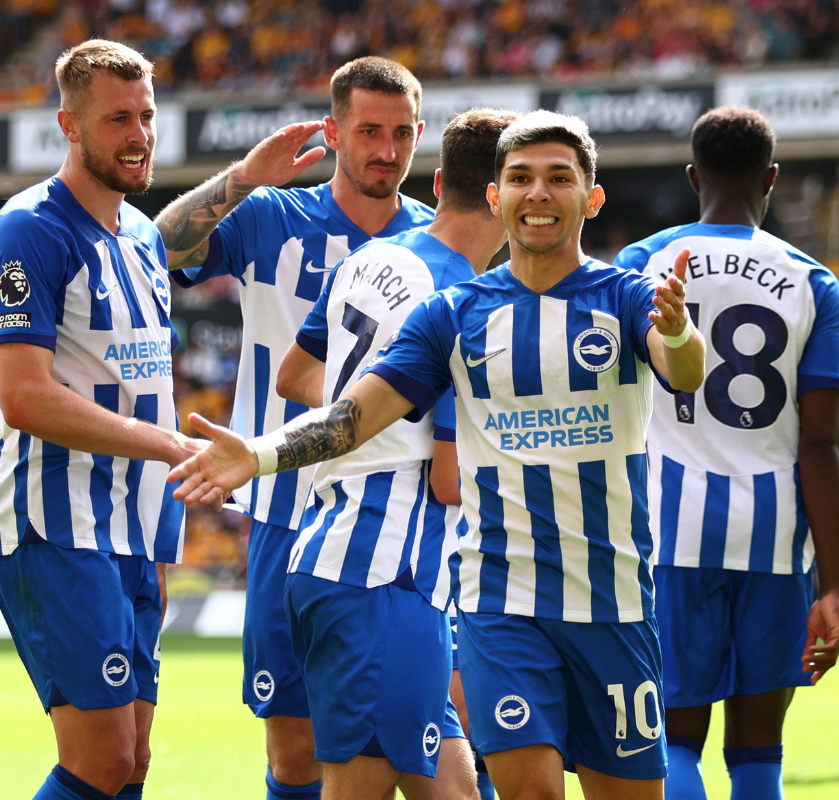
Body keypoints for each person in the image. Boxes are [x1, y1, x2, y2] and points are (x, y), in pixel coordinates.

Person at [168, 110, 708, 800]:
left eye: (558, 178)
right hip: (497, 600)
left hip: (611, 597)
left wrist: (681, 331)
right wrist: (258, 455)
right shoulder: (451, 312)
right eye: (520, 178)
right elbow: (353, 413)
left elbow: (681, 370)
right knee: (527, 791)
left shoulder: (626, 297)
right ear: (495, 195)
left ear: (591, 197)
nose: (537, 193)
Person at [154, 57, 435, 800]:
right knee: (295, 749)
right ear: (333, 132)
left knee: (431, 744)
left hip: (404, 522)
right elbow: (160, 252)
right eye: (369, 131)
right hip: (287, 511)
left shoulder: (440, 246)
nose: (386, 150)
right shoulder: (275, 216)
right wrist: (245, 176)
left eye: (402, 133)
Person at [0, 40, 205, 800]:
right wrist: (167, 445)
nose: (139, 134)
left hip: (138, 528)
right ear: (69, 126)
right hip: (57, 525)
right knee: (100, 760)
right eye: (117, 119)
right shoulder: (28, 231)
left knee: (132, 760)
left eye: (146, 115)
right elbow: (25, 396)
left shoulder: (140, 237)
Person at [272, 107, 518, 800]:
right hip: (385, 572)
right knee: (359, 789)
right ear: (504, 196)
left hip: (342, 554)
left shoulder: (371, 258)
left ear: (439, 184)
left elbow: (295, 376)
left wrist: (387, 411)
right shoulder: (461, 302)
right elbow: (448, 480)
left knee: (455, 789)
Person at [613, 106, 839, 800]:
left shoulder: (643, 262)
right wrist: (832, 584)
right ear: (771, 179)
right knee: (757, 752)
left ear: (694, 177)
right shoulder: (812, 281)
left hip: (670, 531)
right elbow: (822, 439)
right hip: (776, 541)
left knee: (675, 740)